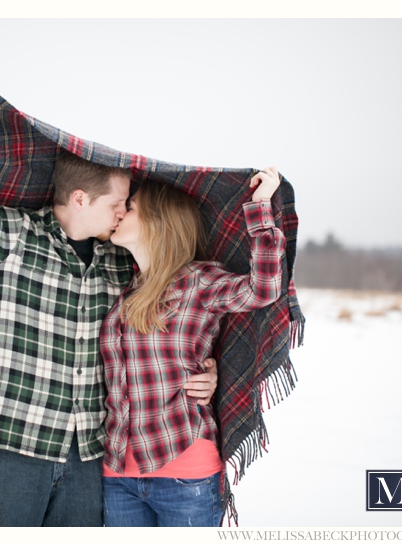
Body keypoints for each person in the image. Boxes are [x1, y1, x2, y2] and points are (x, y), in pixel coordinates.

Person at [0, 75, 218, 527]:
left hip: (91, 455)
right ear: (81, 198)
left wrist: (206, 368)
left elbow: (178, 317)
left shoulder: (121, 265)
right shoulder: (12, 239)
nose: (124, 212)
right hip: (14, 446)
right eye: (119, 202)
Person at [100, 172, 285, 526]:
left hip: (184, 472)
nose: (121, 213)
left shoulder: (198, 282)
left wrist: (261, 207)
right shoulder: (125, 291)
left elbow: (263, 288)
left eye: (132, 207)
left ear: (159, 221)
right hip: (118, 474)